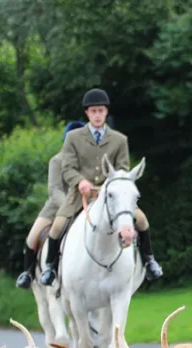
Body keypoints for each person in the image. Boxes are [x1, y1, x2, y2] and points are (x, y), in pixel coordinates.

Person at [39, 88, 163, 286]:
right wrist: (80, 182)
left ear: (106, 112)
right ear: (87, 113)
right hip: (80, 194)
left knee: (142, 220)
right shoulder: (73, 138)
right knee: (57, 225)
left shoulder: (120, 140)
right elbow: (68, 168)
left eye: (101, 111)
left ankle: (149, 261)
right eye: (93, 111)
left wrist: (110, 186)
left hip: (112, 194)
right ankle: (51, 268)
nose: (97, 115)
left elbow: (122, 169)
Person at [16, 120, 86, 289]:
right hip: (56, 208)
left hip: (85, 207)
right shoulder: (56, 161)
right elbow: (54, 189)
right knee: (32, 237)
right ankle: (29, 272)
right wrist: (69, 206)